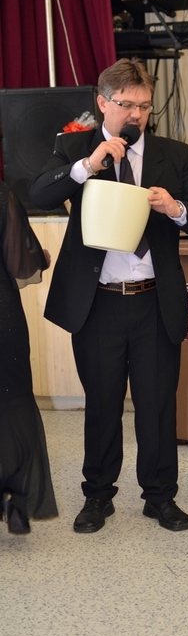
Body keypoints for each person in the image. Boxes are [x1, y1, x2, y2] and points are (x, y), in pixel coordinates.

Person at [29, 58, 188, 534]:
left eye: (144, 106)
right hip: (98, 302)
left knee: (157, 405)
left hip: (154, 301)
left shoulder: (174, 154)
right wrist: (88, 165)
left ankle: (160, 497)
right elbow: (40, 193)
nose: (136, 114)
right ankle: (97, 496)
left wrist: (175, 207)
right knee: (102, 404)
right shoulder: (74, 147)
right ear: (102, 103)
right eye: (126, 104)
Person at [0, 180, 58, 534]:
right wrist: (42, 258)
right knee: (14, 402)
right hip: (2, 320)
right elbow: (21, 265)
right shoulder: (2, 195)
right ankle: (16, 497)